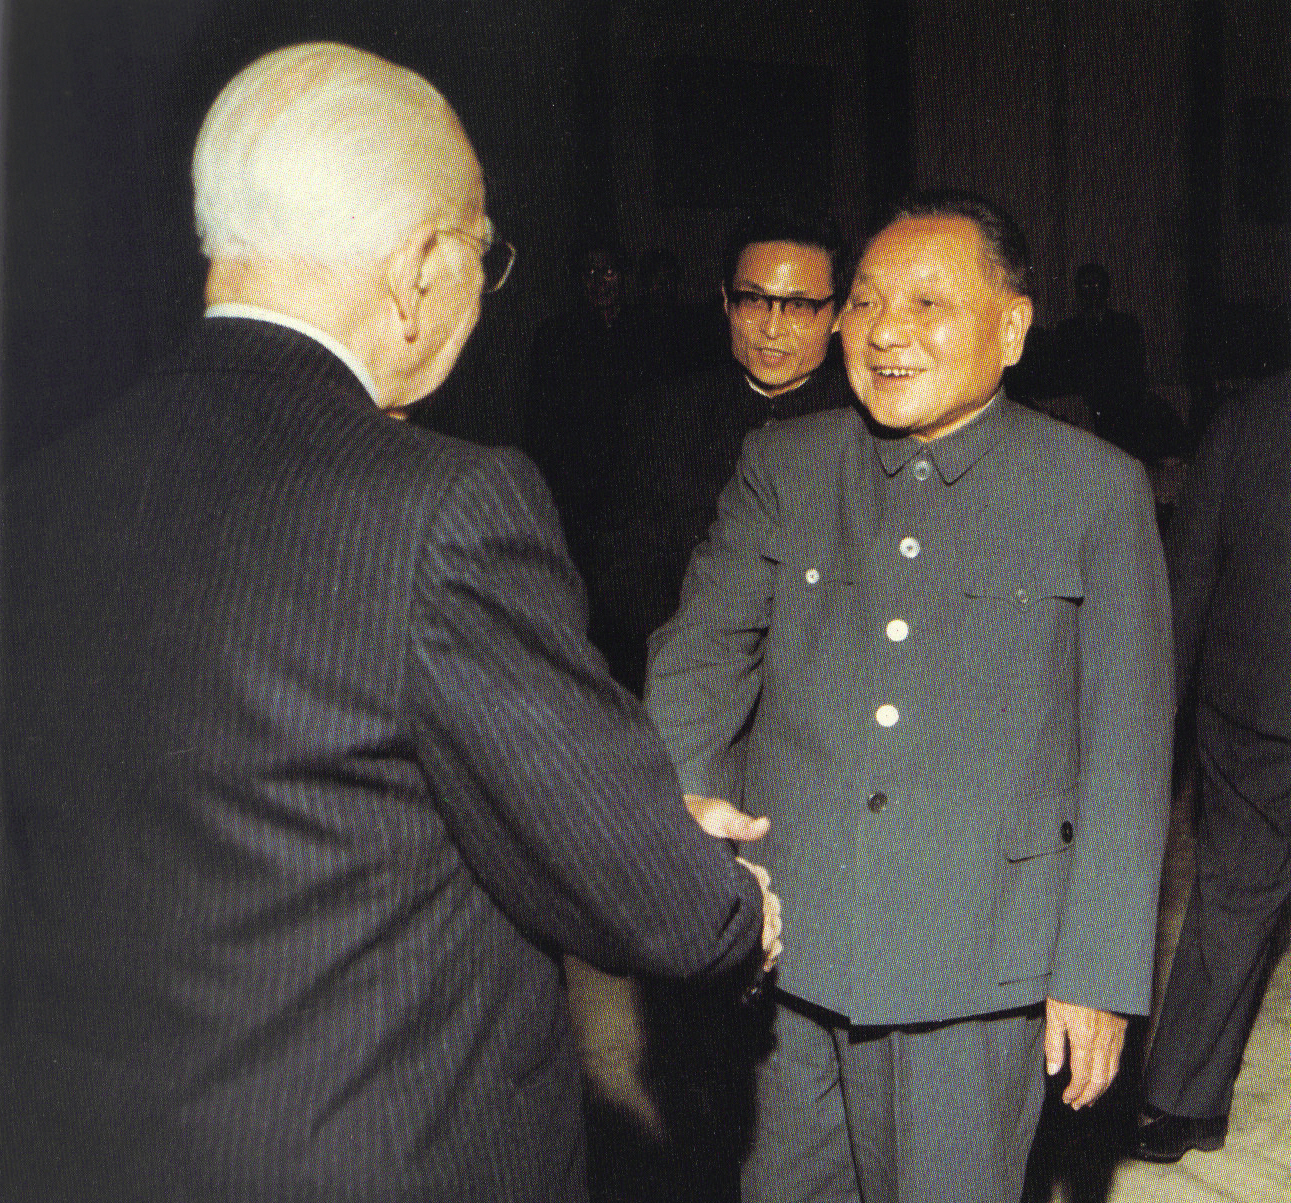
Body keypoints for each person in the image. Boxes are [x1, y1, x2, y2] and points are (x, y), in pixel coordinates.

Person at [0, 43, 779, 1202]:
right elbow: (666, 912)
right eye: (482, 254)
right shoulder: (443, 507)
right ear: (418, 268)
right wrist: (725, 901)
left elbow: (270, 790)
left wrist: (600, 814)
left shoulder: (41, 490)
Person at [644, 189, 1174, 1203]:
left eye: (928, 303)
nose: (885, 331)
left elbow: (1128, 753)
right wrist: (678, 813)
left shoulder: (1094, 489)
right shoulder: (785, 463)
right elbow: (699, 655)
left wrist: (1097, 974)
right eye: (865, 301)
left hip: (975, 964)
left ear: (1010, 328)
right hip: (786, 941)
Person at [1132, 369, 1291, 1163]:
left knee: (1233, 890)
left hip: (1256, 703)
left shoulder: (1249, 413)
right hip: (1255, 707)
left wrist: (1157, 710)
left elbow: (1188, 568)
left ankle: (1182, 1102)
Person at [598, 212, 855, 694]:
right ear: (725, 301)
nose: (772, 328)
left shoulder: (869, 427)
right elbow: (622, 572)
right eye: (753, 300)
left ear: (839, 315)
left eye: (799, 306)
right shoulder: (663, 415)